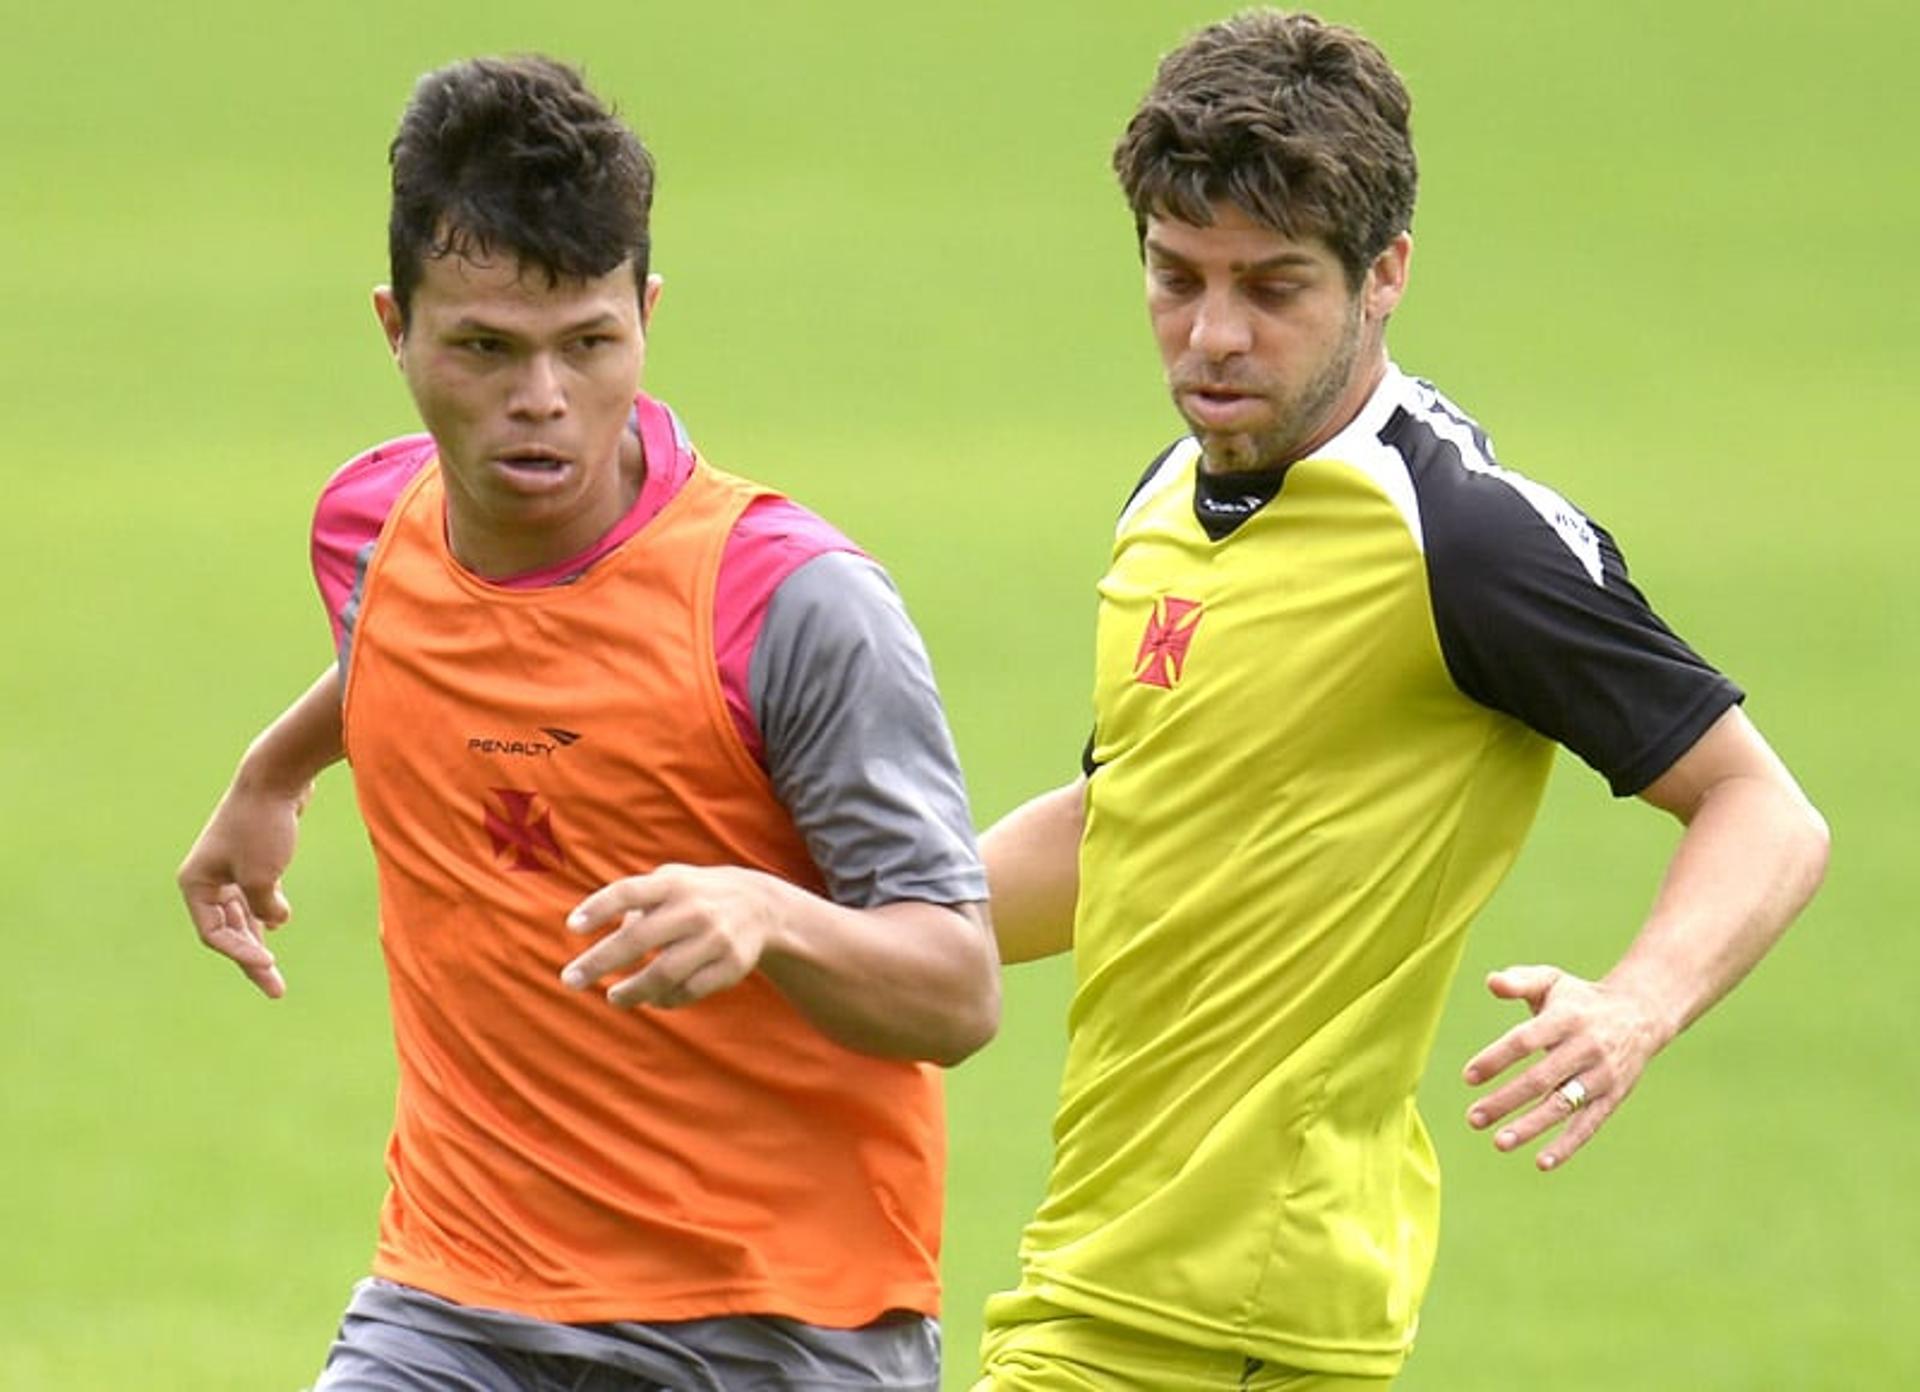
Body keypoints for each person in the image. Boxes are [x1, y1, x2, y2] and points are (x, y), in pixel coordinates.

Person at [973, 10, 1829, 1389]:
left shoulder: (1461, 538)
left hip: (1240, 1315)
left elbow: (1762, 808)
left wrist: (1633, 1007)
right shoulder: (1163, 503)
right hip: (1103, 1275)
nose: (1212, 335)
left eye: (1271, 286)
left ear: (1386, 275)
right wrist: (825, 925)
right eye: (1175, 276)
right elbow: (1121, 826)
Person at [176, 55, 999, 1391]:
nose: (541, 399)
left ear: (647, 316)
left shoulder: (790, 605)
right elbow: (437, 648)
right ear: (394, 327)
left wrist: (770, 914)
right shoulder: (369, 532)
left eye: (588, 343)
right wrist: (273, 772)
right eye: (485, 348)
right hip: (455, 1300)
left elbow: (956, 990)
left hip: (780, 1324)